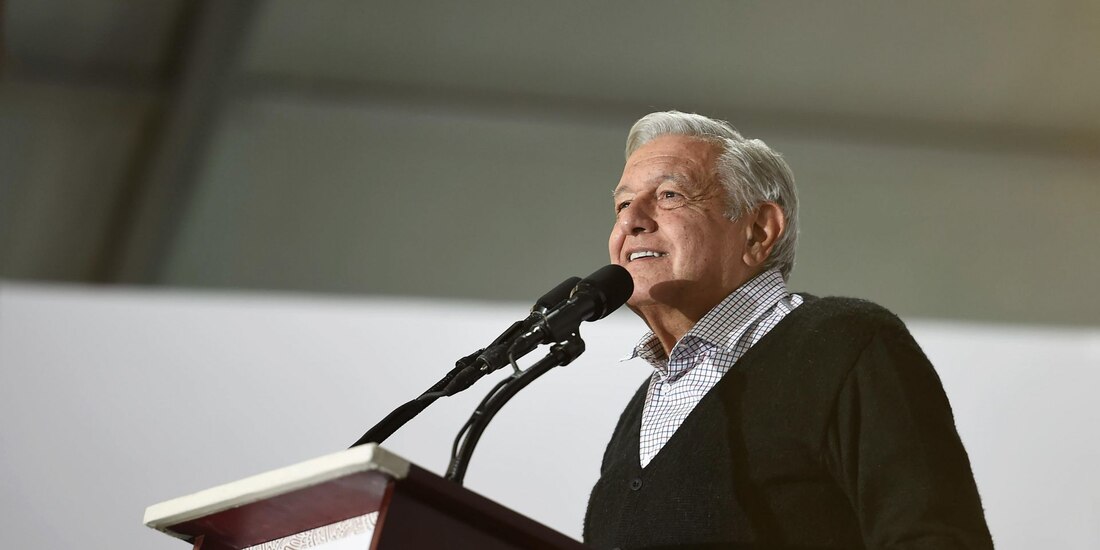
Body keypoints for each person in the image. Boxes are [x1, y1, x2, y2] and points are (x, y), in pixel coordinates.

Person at [583, 111, 993, 549]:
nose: (631, 222)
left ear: (759, 231)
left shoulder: (848, 345)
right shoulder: (639, 413)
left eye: (669, 195)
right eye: (623, 204)